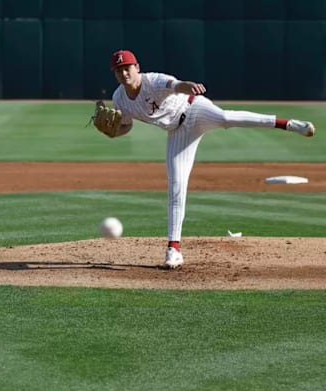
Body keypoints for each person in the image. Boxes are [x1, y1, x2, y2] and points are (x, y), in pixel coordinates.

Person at [99, 49, 315, 269]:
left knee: (225, 117)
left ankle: (288, 124)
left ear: (137, 68)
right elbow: (125, 125)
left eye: (127, 68)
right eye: (118, 70)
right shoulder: (119, 98)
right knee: (176, 185)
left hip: (194, 109)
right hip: (178, 132)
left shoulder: (152, 80)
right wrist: (112, 132)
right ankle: (174, 249)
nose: (124, 73)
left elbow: (176, 85)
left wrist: (188, 85)